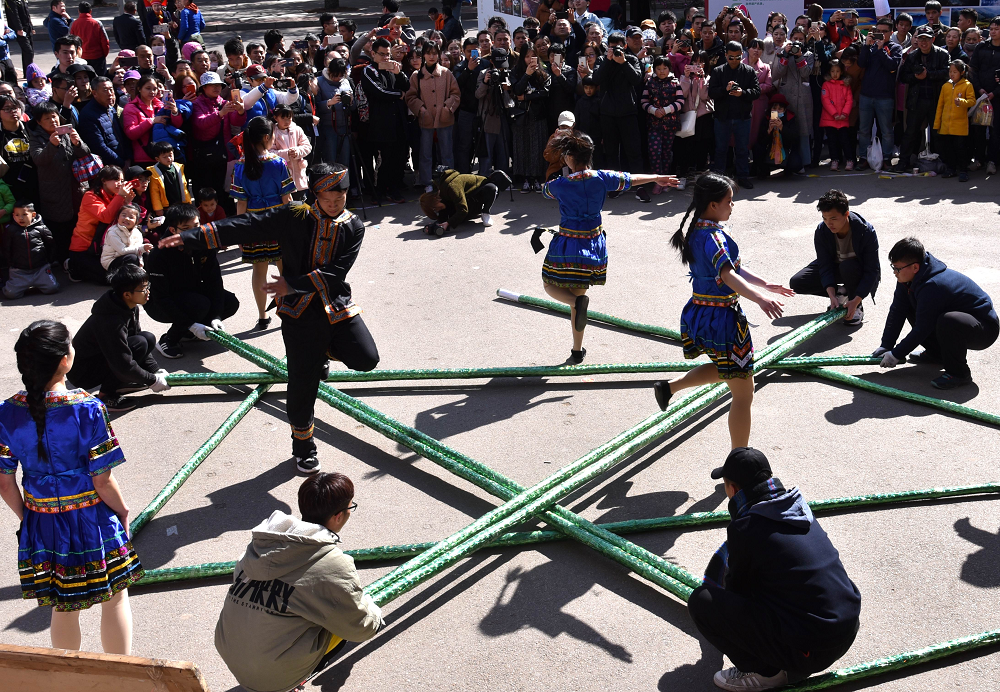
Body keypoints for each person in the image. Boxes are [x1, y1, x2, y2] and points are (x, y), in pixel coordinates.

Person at [158, 164, 378, 473]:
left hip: (334, 303)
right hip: (298, 312)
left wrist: (292, 283)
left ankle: (324, 351)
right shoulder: (295, 215)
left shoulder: (353, 226)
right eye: (328, 197)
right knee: (303, 383)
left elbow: (337, 272)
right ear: (315, 194)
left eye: (340, 196)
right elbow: (247, 223)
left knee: (367, 359)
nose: (334, 203)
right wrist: (193, 237)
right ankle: (303, 447)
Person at [0, 320, 144, 653]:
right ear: (65, 359)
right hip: (93, 519)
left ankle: (69, 679)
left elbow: (5, 485)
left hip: (42, 521)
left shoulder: (6, 413)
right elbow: (102, 479)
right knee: (116, 597)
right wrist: (121, 510)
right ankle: (122, 679)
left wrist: (31, 518)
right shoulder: (88, 409)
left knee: (64, 606)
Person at [688, 447, 861, 691]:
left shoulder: (748, 527)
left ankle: (768, 673)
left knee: (702, 601)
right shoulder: (798, 509)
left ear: (732, 489)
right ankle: (790, 651)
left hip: (813, 649)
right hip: (846, 630)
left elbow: (738, 592)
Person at [653, 174, 794, 448]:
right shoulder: (715, 236)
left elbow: (732, 269)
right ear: (713, 205)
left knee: (727, 370)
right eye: (729, 201)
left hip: (699, 313)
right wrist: (760, 298)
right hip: (723, 321)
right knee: (744, 392)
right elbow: (728, 276)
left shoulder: (697, 230)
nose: (732, 206)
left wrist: (765, 284)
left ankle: (669, 388)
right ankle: (738, 461)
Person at [214, 472, 383, 692]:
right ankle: (290, 681)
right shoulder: (333, 564)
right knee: (341, 618)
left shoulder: (261, 544)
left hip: (230, 653)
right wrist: (375, 615)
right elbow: (359, 628)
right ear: (338, 516)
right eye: (351, 508)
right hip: (272, 674)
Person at [537, 133, 676, 363]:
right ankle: (577, 350)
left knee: (550, 285)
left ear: (570, 157)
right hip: (593, 246)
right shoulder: (602, 178)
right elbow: (631, 179)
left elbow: (545, 190)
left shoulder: (560, 185)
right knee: (580, 294)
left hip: (568, 246)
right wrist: (656, 177)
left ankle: (574, 307)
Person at [874, 237, 999, 390]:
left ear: (915, 267)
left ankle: (959, 373)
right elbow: (897, 310)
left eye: (898, 268)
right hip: (959, 320)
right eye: (893, 267)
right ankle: (937, 354)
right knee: (914, 307)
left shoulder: (933, 286)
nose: (894, 272)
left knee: (947, 321)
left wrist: (896, 354)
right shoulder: (906, 280)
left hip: (983, 329)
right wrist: (886, 345)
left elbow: (922, 328)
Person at [68, 262, 168, 412]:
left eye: (148, 286)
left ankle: (122, 383)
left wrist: (155, 370)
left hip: (103, 357)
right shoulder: (110, 320)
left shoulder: (127, 306)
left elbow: (135, 338)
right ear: (127, 294)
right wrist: (152, 381)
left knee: (147, 338)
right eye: (143, 289)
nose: (148, 292)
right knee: (139, 343)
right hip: (84, 372)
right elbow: (123, 363)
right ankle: (106, 396)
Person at [144, 203, 239, 359]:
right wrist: (191, 324)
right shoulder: (159, 254)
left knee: (229, 302)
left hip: (191, 292)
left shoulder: (204, 243)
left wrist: (216, 316)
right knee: (199, 305)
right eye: (187, 229)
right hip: (161, 302)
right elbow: (161, 297)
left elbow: (214, 281)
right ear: (173, 230)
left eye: (197, 226)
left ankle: (188, 332)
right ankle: (169, 340)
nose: (195, 232)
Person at [232, 116, 295, 331]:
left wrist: (240, 231)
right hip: (278, 221)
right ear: (267, 137)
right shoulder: (278, 163)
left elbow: (241, 202)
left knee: (259, 270)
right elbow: (287, 198)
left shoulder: (240, 166)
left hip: (253, 224)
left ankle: (262, 316)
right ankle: (290, 311)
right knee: (284, 267)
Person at [788, 189, 879, 327]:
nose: (829, 223)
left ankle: (856, 304)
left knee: (847, 266)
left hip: (856, 271)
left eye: (833, 218)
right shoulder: (822, 231)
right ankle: (841, 293)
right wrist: (832, 295)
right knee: (797, 282)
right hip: (836, 268)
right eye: (825, 218)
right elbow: (825, 265)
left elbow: (872, 271)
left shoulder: (865, 231)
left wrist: (856, 299)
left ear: (846, 214)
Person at [593, 33, 647, 201]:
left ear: (624, 46)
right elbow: (596, 79)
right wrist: (609, 61)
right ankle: (615, 186)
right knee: (611, 152)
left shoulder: (631, 59)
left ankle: (640, 187)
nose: (614, 48)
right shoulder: (602, 60)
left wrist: (622, 62)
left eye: (618, 45)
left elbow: (637, 79)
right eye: (611, 45)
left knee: (634, 151)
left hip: (628, 112)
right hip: (608, 113)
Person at [360, 38, 411, 204]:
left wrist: (399, 74)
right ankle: (379, 191)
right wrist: (397, 94)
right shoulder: (369, 70)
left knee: (399, 158)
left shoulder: (393, 68)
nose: (385, 58)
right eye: (382, 54)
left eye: (388, 55)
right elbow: (379, 92)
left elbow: (407, 86)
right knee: (384, 160)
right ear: (373, 53)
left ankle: (394, 189)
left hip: (398, 121)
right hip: (381, 123)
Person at [406, 41, 460, 193]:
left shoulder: (446, 73)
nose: (432, 56)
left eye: (435, 53)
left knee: (447, 152)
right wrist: (421, 109)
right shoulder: (416, 76)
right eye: (429, 53)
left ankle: (449, 180)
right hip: (425, 120)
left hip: (445, 119)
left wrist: (446, 107)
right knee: (425, 153)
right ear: (424, 55)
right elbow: (410, 97)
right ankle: (427, 181)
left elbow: (455, 94)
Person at [896, 25, 949, 172]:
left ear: (933, 39)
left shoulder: (942, 54)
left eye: (926, 39)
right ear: (916, 40)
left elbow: (947, 73)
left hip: (936, 100)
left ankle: (944, 163)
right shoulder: (912, 56)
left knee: (938, 133)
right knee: (910, 133)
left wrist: (928, 74)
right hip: (917, 101)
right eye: (920, 39)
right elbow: (903, 77)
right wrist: (915, 77)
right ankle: (903, 162)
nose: (923, 42)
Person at [67, 166, 132, 284]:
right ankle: (72, 265)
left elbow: (123, 220)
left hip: (105, 247)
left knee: (121, 275)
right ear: (104, 181)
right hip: (85, 248)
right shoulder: (90, 196)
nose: (120, 184)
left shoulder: (115, 195)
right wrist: (120, 197)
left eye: (122, 181)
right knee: (109, 279)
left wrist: (127, 202)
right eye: (116, 180)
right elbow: (106, 217)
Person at [710, 42, 761, 189]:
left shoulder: (749, 71)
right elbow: (711, 93)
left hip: (742, 116)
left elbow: (756, 92)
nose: (734, 60)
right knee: (720, 149)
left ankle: (743, 176)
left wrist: (742, 93)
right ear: (725, 55)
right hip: (722, 116)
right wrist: (725, 90)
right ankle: (719, 179)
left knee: (742, 149)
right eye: (731, 57)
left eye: (737, 57)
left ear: (742, 55)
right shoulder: (718, 71)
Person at [855, 18, 901, 171]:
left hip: (885, 96)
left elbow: (892, 66)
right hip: (866, 95)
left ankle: (887, 158)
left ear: (891, 33)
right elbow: (861, 64)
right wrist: (866, 46)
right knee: (863, 130)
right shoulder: (869, 46)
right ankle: (863, 158)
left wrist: (881, 50)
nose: (880, 34)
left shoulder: (895, 48)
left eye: (884, 31)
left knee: (887, 130)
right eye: (877, 31)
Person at [419, 165, 511, 234]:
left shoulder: (452, 187)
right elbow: (444, 210)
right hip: (469, 197)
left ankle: (485, 212)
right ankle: (476, 212)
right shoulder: (441, 192)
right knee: (456, 217)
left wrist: (448, 223)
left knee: (491, 188)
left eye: (435, 208)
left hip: (481, 193)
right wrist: (436, 225)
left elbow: (463, 210)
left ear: (435, 199)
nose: (437, 211)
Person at [642, 56, 684, 193]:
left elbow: (680, 102)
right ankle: (657, 180)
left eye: (664, 68)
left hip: (670, 124)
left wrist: (665, 110)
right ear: (654, 69)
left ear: (669, 69)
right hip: (654, 123)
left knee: (666, 153)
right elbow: (643, 101)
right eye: (658, 68)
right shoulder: (650, 83)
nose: (662, 71)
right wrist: (653, 111)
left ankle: (665, 181)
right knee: (654, 151)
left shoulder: (675, 82)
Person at [1, 201, 60, 299]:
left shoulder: (41, 228)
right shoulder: (10, 230)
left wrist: (49, 261)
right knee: (10, 294)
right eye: (17, 215)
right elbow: (6, 248)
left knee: (52, 288)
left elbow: (51, 244)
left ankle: (41, 280)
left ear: (33, 214)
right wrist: (11, 264)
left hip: (40, 268)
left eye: (24, 214)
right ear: (13, 216)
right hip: (19, 270)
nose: (21, 218)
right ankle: (16, 283)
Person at [123, 75, 183, 165]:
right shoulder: (131, 107)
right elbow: (131, 133)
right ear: (139, 89)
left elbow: (176, 125)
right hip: (144, 157)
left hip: (164, 156)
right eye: (148, 88)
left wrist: (174, 112)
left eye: (155, 89)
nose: (152, 92)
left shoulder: (160, 105)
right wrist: (152, 121)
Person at [970, 19, 1000, 175]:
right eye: (991, 28)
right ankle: (979, 159)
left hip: (997, 97)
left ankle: (992, 161)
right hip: (980, 95)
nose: (993, 31)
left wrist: (995, 92)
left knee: (995, 131)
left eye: (997, 29)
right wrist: (979, 88)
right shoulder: (981, 47)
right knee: (978, 129)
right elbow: (973, 70)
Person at [78, 76, 128, 168]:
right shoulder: (88, 114)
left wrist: (128, 158)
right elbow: (98, 146)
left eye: (111, 89)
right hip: (108, 166)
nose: (110, 93)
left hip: (123, 161)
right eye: (105, 90)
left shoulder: (110, 108)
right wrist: (121, 163)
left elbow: (122, 135)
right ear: (94, 93)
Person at [819, 60, 853, 171]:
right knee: (832, 141)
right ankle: (834, 160)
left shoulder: (846, 84)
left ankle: (849, 159)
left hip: (843, 118)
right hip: (830, 119)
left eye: (837, 71)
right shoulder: (826, 84)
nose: (835, 74)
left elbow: (849, 100)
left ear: (841, 72)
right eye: (832, 71)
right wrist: (834, 114)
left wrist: (844, 113)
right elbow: (825, 100)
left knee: (845, 141)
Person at [270, 104, 312, 194]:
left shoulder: (297, 130)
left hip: (299, 176)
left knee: (299, 204)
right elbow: (269, 153)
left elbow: (307, 146)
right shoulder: (272, 132)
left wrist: (298, 151)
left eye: (289, 118)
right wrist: (286, 154)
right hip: (282, 177)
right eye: (283, 118)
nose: (287, 121)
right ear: (276, 118)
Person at [146, 141, 191, 217]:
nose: (169, 158)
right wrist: (158, 208)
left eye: (170, 155)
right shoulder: (154, 172)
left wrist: (188, 201)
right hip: (166, 207)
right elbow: (154, 192)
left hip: (180, 202)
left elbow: (184, 186)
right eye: (164, 157)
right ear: (157, 159)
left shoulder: (178, 167)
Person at [100, 204, 148, 270]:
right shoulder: (112, 232)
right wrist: (141, 249)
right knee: (132, 258)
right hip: (111, 260)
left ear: (136, 222)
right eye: (124, 215)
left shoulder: (137, 233)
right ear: (118, 218)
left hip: (127, 255)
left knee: (147, 255)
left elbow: (138, 249)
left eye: (131, 217)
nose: (126, 218)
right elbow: (122, 251)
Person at [70, 2, 110, 76]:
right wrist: (103, 55)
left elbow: (71, 41)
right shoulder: (97, 23)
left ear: (79, 11)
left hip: (82, 57)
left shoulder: (74, 24)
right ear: (90, 11)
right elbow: (105, 41)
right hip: (97, 56)